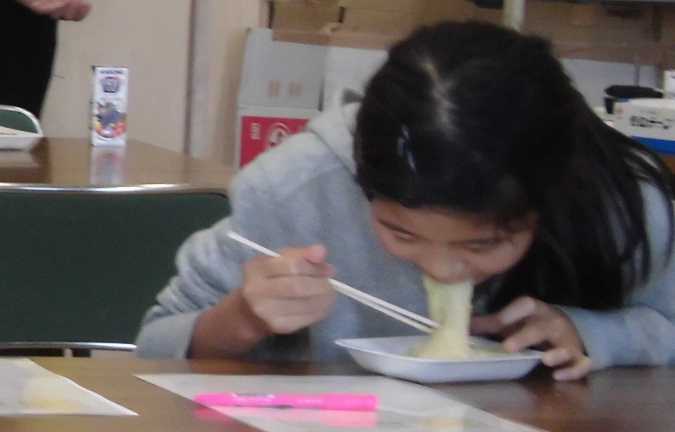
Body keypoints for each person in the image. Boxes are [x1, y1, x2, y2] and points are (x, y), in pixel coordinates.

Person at [139, 21, 675, 378]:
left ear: (547, 197)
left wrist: (596, 333)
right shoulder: (298, 188)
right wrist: (244, 319)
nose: (442, 269)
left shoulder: (623, 201)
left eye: (483, 244)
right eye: (401, 232)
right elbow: (154, 343)